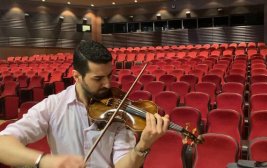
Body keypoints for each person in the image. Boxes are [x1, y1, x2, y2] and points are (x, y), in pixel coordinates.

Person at [0, 40, 170, 168]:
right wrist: (43, 161)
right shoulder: (53, 106)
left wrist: (142, 146)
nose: (108, 84)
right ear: (76, 76)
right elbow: (3, 143)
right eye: (98, 78)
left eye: (109, 75)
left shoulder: (119, 110)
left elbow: (121, 165)